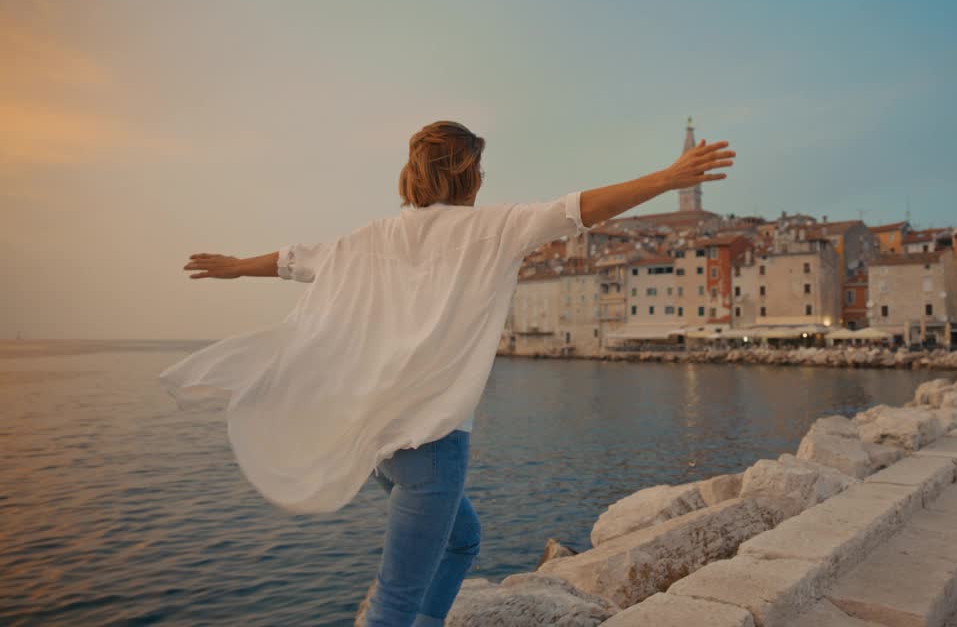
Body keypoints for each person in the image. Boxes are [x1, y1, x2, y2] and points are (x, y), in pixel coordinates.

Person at [159, 121, 735, 627]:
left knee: (463, 541)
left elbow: (294, 259)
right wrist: (668, 176)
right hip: (434, 449)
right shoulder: (493, 230)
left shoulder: (372, 239)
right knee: (394, 598)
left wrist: (237, 267)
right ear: (469, 175)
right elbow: (577, 209)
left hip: (383, 445)